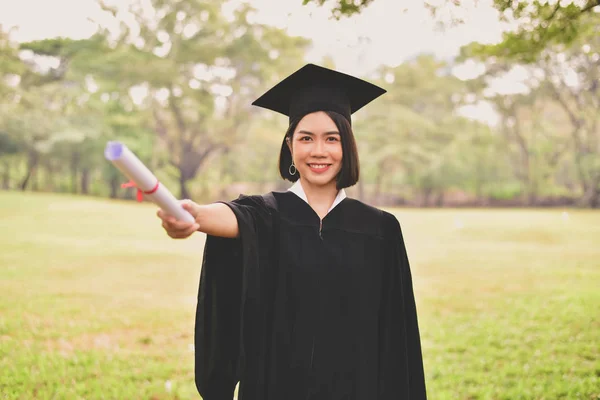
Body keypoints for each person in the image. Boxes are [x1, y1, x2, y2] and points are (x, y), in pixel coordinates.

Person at [157, 64, 427, 400]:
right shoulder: (267, 215)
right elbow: (231, 217)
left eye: (332, 138)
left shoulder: (380, 230)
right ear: (290, 145)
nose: (318, 151)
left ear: (348, 146)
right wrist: (195, 215)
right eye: (306, 138)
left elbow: (397, 339)